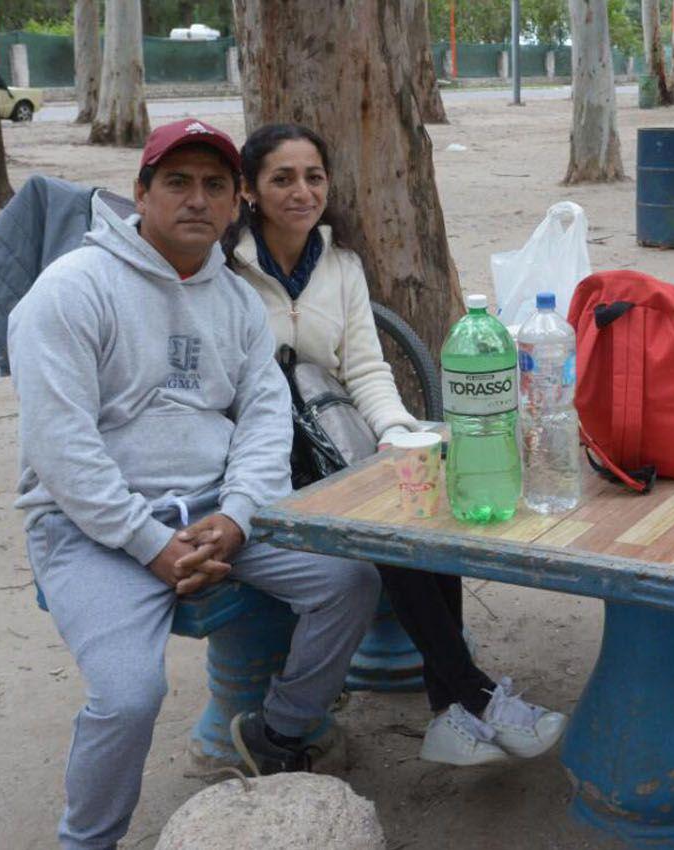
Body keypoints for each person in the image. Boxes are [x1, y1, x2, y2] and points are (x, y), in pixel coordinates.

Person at [7, 118, 382, 850]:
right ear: (139, 193)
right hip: (92, 530)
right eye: (176, 182)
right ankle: (87, 840)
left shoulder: (236, 300)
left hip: (215, 515)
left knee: (351, 580)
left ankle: (279, 730)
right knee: (128, 696)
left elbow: (266, 422)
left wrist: (239, 516)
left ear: (235, 202)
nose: (196, 200)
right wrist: (150, 543)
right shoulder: (71, 290)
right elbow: (61, 448)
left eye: (214, 185)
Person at [223, 123, 566, 767]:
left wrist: (395, 435)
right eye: (282, 178)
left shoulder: (342, 263)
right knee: (391, 534)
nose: (302, 192)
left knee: (425, 502)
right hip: (261, 463)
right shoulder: (224, 269)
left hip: (333, 446)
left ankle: (456, 707)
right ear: (249, 190)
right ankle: (468, 696)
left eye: (314, 177)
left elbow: (366, 369)